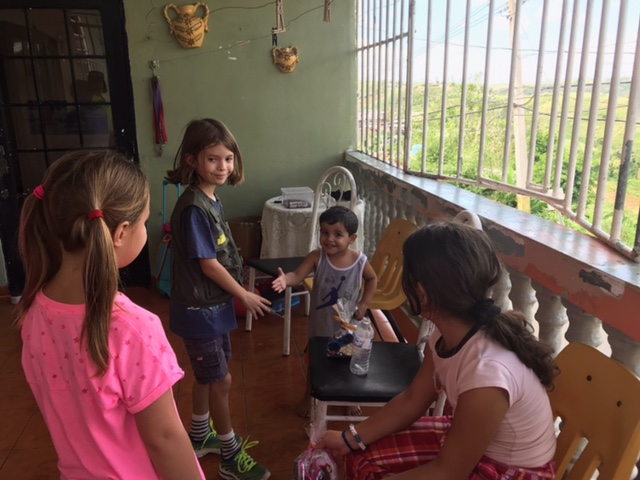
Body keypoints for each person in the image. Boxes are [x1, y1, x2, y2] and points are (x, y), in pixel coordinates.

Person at [315, 221, 558, 479]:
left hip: (507, 471)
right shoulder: (448, 332)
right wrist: (349, 438)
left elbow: (449, 472)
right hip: (469, 447)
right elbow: (413, 400)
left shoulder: (487, 373)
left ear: (421, 292)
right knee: (359, 455)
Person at [16, 151, 204, 480]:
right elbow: (165, 440)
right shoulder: (132, 328)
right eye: (144, 222)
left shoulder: (33, 312)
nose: (145, 232)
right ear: (120, 233)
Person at [165, 118, 271, 480]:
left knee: (208, 376)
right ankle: (229, 455)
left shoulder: (209, 197)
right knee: (221, 380)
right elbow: (208, 265)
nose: (223, 167)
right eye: (213, 159)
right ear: (193, 160)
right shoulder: (195, 207)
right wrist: (243, 294)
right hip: (200, 310)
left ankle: (200, 436)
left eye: (228, 158)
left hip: (210, 307)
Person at [272, 205, 377, 417]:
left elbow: (372, 279)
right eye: (325, 232)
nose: (329, 238)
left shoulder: (360, 261)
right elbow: (298, 275)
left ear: (352, 238)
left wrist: (364, 303)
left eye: (338, 234)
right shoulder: (317, 257)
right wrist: (286, 280)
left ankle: (349, 398)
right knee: (317, 361)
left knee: (348, 361)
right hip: (321, 324)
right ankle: (308, 396)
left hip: (348, 326)